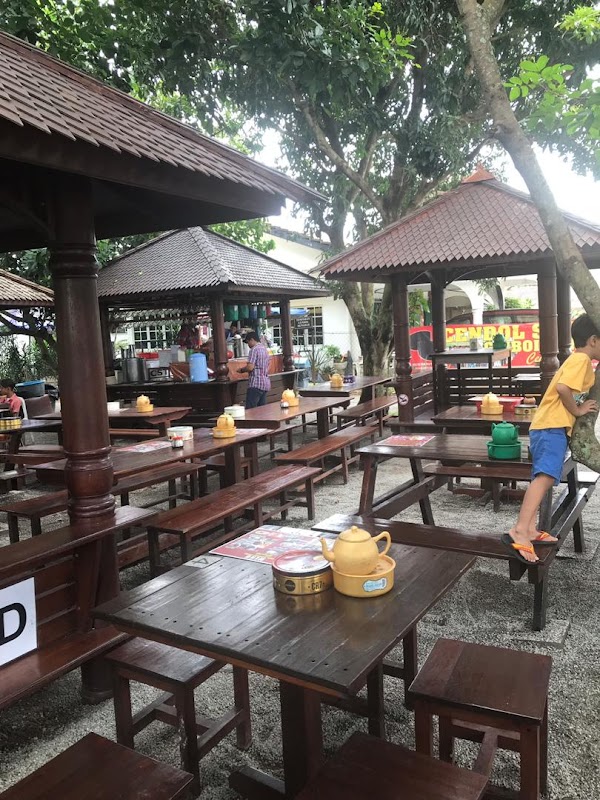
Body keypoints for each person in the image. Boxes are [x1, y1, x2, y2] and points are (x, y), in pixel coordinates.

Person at [502, 313, 600, 564]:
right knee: (544, 478)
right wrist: (577, 411)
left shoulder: (580, 360)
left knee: (543, 476)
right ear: (593, 340)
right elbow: (562, 389)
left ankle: (531, 530)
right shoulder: (580, 360)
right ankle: (520, 530)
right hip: (551, 427)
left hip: (549, 427)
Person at [237, 330, 271, 408]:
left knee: (250, 410)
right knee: (262, 411)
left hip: (256, 383)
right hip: (265, 383)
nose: (248, 345)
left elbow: (250, 367)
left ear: (252, 339)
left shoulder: (254, 350)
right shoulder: (264, 349)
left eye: (248, 342)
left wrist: (241, 370)